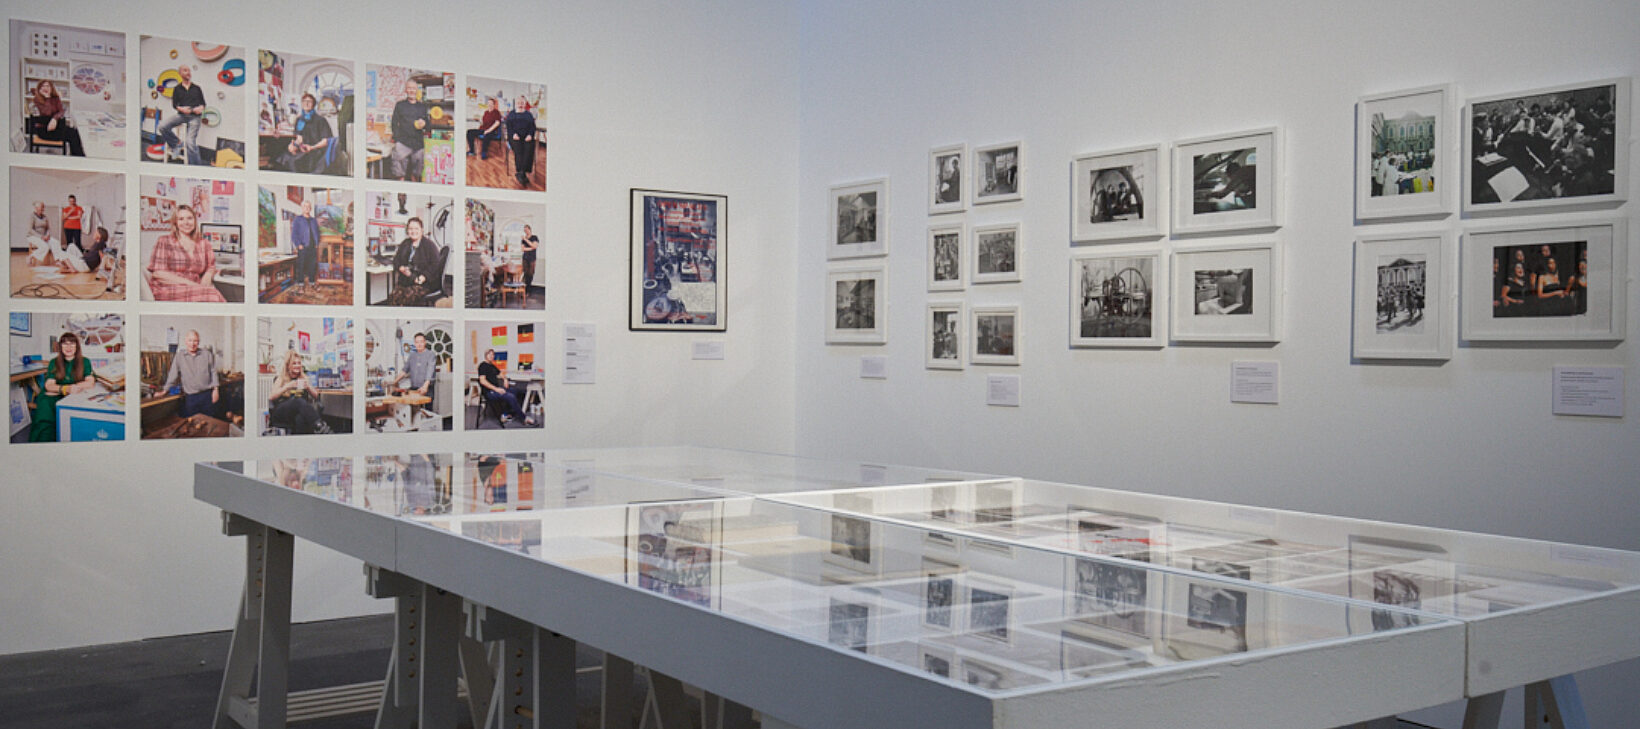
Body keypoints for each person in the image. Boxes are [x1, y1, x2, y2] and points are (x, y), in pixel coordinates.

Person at [148, 205, 226, 302]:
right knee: (213, 295)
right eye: (181, 219)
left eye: (189, 218)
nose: (186, 223)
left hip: (196, 288)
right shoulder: (164, 241)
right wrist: (194, 285)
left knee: (213, 294)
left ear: (194, 221)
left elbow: (211, 266)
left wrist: (208, 274)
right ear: (175, 223)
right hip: (168, 288)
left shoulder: (204, 243)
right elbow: (158, 273)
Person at [29, 331, 97, 442]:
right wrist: (66, 389)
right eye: (65, 344)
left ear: (77, 346)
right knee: (45, 413)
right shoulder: (54, 362)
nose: (68, 347)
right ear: (60, 346)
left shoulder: (85, 361)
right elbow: (49, 385)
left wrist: (72, 388)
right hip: (55, 395)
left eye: (72, 343)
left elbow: (90, 382)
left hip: (74, 393)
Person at [267, 350, 328, 434]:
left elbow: (316, 396)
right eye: (294, 363)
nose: (297, 365)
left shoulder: (304, 377)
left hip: (297, 412)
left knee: (300, 418)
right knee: (298, 400)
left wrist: (308, 387)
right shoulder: (281, 378)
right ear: (288, 365)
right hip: (282, 411)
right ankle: (321, 427)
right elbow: (271, 397)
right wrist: (287, 386)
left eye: (299, 363)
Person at [163, 329, 219, 419]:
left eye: (195, 341)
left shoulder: (207, 354)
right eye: (190, 340)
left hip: (207, 395)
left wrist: (216, 390)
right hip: (191, 397)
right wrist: (165, 390)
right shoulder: (179, 356)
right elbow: (173, 375)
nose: (192, 344)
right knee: (193, 424)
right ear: (185, 341)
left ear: (199, 342)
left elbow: (213, 371)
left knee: (209, 422)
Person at [157, 65, 207, 164]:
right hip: (181, 115)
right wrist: (182, 109)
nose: (188, 72)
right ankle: (177, 144)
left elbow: (203, 104)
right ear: (180, 73)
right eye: (185, 70)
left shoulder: (197, 88)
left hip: (194, 117)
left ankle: (196, 170)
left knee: (190, 142)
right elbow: (175, 105)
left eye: (189, 70)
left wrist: (200, 108)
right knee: (162, 126)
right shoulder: (177, 89)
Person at [275, 93, 336, 173]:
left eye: (309, 101)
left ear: (313, 104)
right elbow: (299, 138)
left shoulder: (321, 120)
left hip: (315, 150)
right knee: (283, 158)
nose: (306, 103)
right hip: (302, 149)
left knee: (295, 162)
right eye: (304, 101)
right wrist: (293, 146)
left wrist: (312, 147)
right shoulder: (299, 119)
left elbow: (326, 141)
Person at [387, 217, 440, 305]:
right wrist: (401, 268)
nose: (413, 231)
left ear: (422, 230)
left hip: (423, 283)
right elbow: (396, 259)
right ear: (407, 231)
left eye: (416, 228)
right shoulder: (405, 243)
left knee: (406, 298)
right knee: (393, 297)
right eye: (411, 229)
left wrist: (424, 276)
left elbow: (436, 264)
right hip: (407, 280)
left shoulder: (429, 245)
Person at [477, 349, 534, 426]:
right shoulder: (483, 366)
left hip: (495, 389)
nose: (491, 356)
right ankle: (524, 418)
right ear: (486, 356)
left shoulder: (492, 366)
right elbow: (482, 381)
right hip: (489, 392)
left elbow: (500, 373)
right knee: (510, 396)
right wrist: (496, 389)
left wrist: (505, 379)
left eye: (493, 355)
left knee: (514, 391)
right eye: (489, 354)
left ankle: (505, 414)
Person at [27, 80, 85, 156]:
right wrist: (47, 98)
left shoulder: (56, 98)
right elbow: (46, 113)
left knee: (74, 131)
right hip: (44, 130)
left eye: (47, 86)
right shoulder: (37, 100)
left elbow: (61, 111)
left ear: (51, 88)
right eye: (43, 86)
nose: (45, 88)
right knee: (72, 135)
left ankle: (76, 155)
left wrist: (54, 119)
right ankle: (78, 156)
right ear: (39, 88)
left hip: (55, 127)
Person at [388, 81, 429, 181]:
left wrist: (424, 124)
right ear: (406, 90)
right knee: (399, 172)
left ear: (417, 90)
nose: (411, 91)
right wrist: (397, 138)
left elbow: (428, 124)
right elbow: (394, 122)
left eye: (414, 88)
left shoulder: (422, 107)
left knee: (417, 173)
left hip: (418, 143)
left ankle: (413, 192)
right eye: (409, 88)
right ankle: (401, 193)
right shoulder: (400, 105)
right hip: (403, 142)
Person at [505, 96, 538, 187]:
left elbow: (532, 127)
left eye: (522, 102)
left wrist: (530, 135)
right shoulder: (511, 114)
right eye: (519, 102)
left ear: (525, 103)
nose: (520, 104)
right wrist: (513, 134)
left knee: (529, 147)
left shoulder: (528, 115)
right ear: (516, 103)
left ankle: (522, 172)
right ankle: (521, 172)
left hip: (526, 137)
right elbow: (509, 128)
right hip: (515, 137)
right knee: (519, 149)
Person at [290, 200, 321, 292]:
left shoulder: (313, 220)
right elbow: (294, 234)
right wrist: (298, 244)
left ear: (310, 208)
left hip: (312, 247)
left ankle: (312, 283)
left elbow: (317, 233)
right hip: (303, 247)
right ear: (302, 208)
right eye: (305, 206)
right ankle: (300, 285)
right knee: (301, 266)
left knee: (312, 266)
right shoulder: (298, 219)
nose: (307, 208)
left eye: (308, 206)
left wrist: (316, 243)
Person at [402, 332, 438, 402]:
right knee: (413, 410)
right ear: (414, 343)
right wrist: (393, 382)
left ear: (425, 342)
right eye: (417, 342)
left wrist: (425, 386)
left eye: (421, 342)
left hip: (427, 388)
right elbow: (404, 370)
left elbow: (430, 371)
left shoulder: (431, 354)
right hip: (414, 389)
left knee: (426, 411)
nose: (419, 344)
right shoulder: (412, 356)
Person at [520, 225, 540, 289]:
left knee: (530, 274)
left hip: (532, 258)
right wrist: (532, 248)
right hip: (525, 258)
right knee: (525, 274)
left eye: (526, 230)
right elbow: (523, 249)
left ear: (530, 229)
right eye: (524, 230)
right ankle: (525, 289)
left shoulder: (534, 237)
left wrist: (525, 239)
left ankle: (528, 289)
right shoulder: (523, 239)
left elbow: (535, 246)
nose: (525, 231)